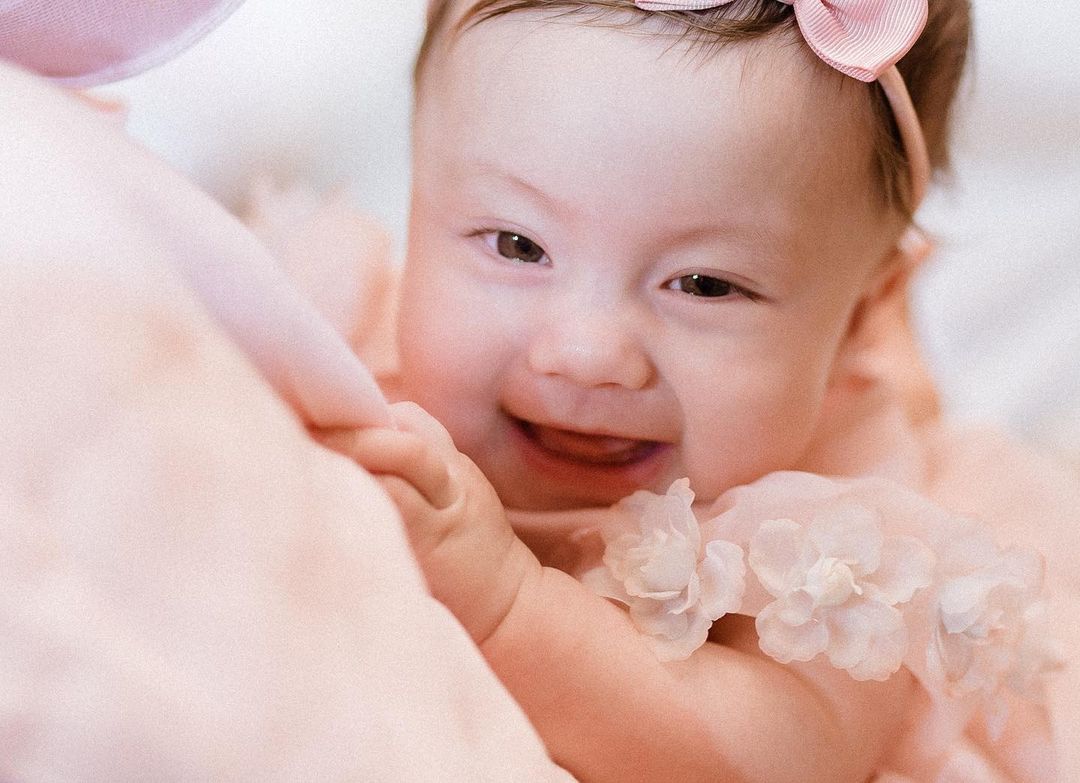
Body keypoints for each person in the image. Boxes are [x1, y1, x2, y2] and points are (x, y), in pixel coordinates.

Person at [316, 1, 1074, 781]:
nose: (588, 354)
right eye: (518, 244)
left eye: (705, 284)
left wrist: (508, 604)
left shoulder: (836, 524)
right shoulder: (333, 354)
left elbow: (791, 752)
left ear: (859, 318)